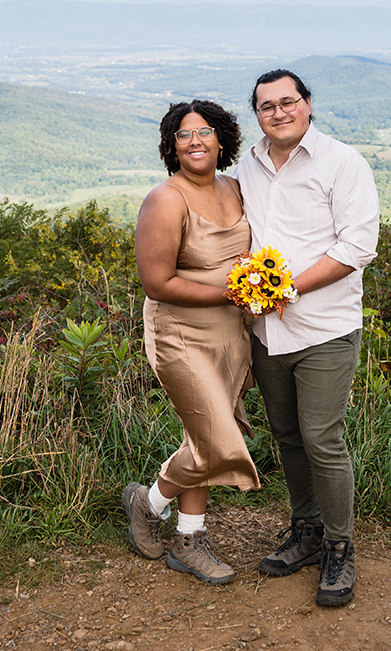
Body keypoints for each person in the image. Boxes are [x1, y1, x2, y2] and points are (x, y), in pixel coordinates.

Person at [235, 68, 379, 608]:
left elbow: (356, 246)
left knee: (322, 436)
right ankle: (307, 531)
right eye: (267, 106)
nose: (279, 112)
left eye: (287, 102)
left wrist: (287, 288)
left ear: (308, 104)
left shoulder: (343, 163)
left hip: (324, 327)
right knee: (287, 436)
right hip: (266, 330)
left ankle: (340, 548)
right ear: (257, 113)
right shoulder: (247, 164)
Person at [123, 99, 260, 584]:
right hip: (180, 335)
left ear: (222, 140)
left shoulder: (237, 188)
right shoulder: (166, 199)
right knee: (214, 437)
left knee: (202, 435)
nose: (196, 140)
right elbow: (157, 283)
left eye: (205, 131)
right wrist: (230, 293)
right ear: (171, 146)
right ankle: (150, 502)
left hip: (231, 333)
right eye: (184, 134)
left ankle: (185, 536)